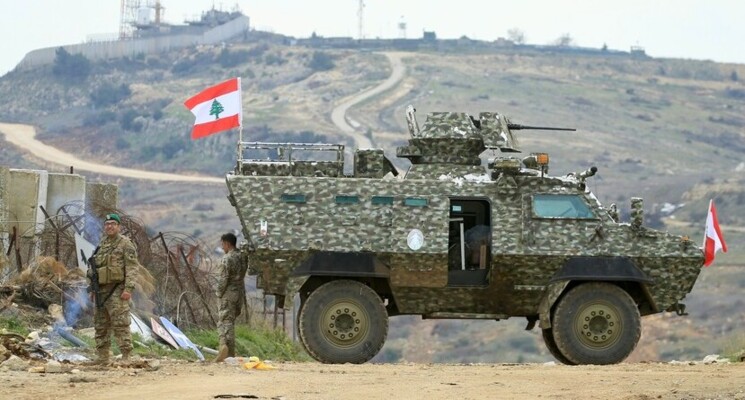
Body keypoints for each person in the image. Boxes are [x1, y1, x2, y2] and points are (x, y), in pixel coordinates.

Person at [88, 213, 139, 364]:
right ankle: (103, 356)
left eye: (113, 224)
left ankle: (126, 355)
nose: (109, 226)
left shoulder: (125, 244)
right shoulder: (102, 245)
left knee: (120, 323)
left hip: (117, 290)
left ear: (118, 227)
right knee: (100, 324)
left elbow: (132, 268)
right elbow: (94, 269)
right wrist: (92, 289)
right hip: (101, 291)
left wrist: (128, 289)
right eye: (107, 224)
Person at [214, 232, 248, 362]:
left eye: (223, 244)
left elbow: (223, 279)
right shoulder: (242, 257)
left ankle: (226, 350)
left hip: (228, 294)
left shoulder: (227, 259)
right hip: (239, 293)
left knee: (224, 322)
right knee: (230, 322)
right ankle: (228, 352)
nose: (222, 247)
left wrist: (218, 293)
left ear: (227, 244)